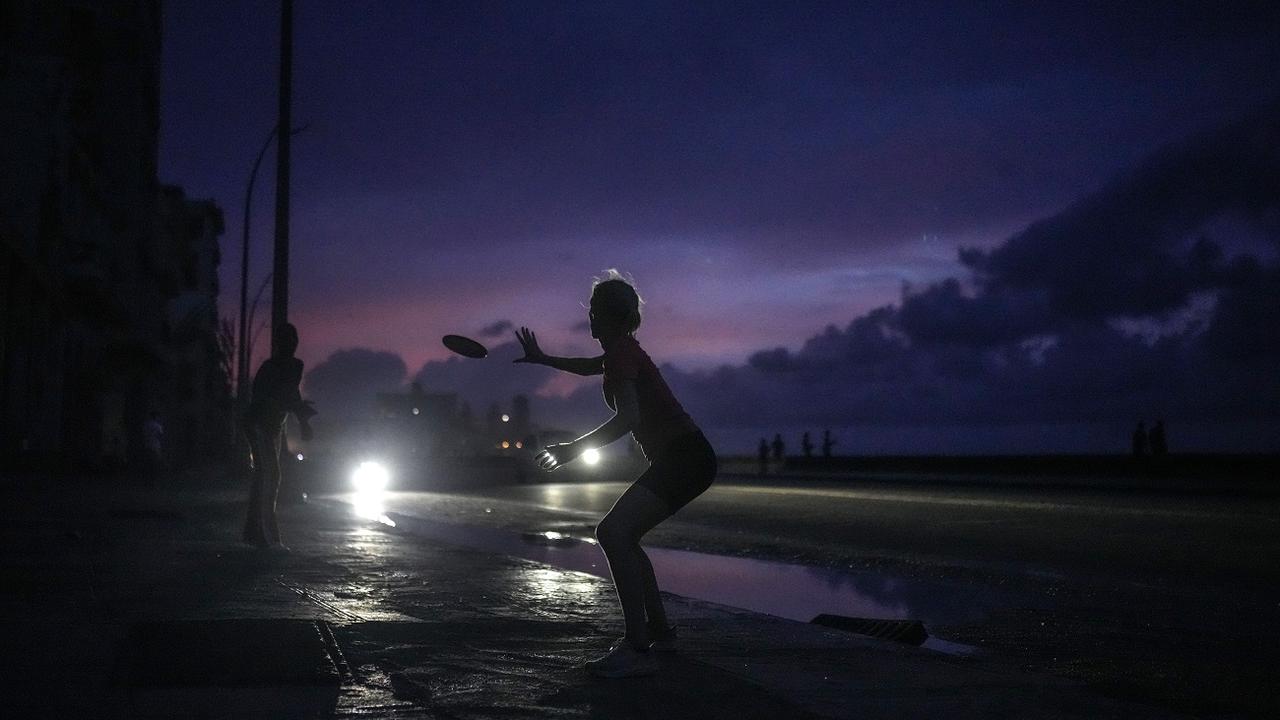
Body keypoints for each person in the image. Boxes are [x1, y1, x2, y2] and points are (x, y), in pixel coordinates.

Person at [514, 271, 716, 678]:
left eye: (592, 311)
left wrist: (572, 449)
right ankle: (659, 632)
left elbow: (628, 418)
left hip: (685, 458)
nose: (588, 318)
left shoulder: (622, 354)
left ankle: (636, 647)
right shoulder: (620, 352)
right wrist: (545, 359)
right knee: (625, 535)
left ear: (608, 316)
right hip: (686, 458)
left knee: (612, 533)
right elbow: (591, 367)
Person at [242, 323, 315, 550]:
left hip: (274, 425)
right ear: (277, 344)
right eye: (286, 341)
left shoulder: (294, 366)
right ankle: (267, 536)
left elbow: (291, 395)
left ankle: (256, 533)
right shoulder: (270, 368)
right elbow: (274, 398)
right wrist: (299, 413)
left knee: (266, 477)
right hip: (259, 424)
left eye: (293, 341)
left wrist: (303, 421)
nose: (291, 345)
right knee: (270, 476)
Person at [142, 411, 165, 485]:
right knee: (156, 463)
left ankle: (147, 480)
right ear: (156, 417)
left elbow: (143, 434)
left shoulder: (146, 425)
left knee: (148, 463)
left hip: (147, 445)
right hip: (155, 446)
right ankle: (154, 480)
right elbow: (161, 436)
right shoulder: (157, 426)